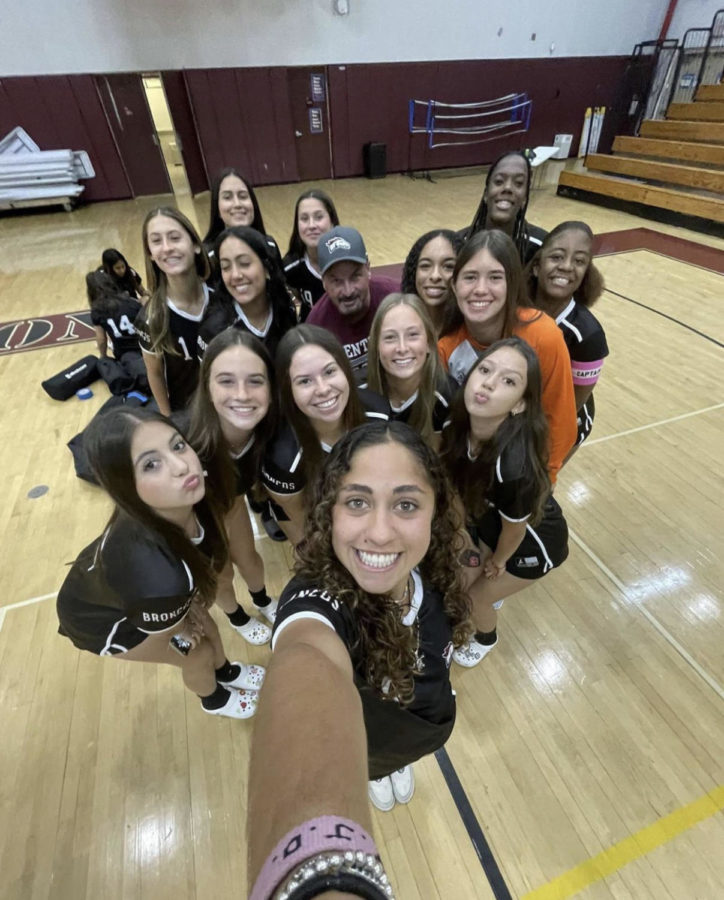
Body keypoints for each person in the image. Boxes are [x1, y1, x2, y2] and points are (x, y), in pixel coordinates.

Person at [258, 420, 471, 823]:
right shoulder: (316, 603)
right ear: (329, 510)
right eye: (357, 502)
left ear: (435, 511)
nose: (379, 533)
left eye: (406, 505)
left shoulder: (435, 570)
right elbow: (303, 657)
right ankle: (376, 771)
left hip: (416, 725)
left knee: (398, 750)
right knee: (374, 759)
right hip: (365, 745)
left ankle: (395, 761)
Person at [56, 408, 265, 719]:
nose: (182, 466)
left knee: (206, 624)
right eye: (151, 464)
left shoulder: (189, 499)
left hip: (129, 591)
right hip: (104, 623)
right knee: (197, 653)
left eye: (178, 445)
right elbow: (170, 635)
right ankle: (214, 699)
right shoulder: (157, 578)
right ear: (126, 486)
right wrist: (185, 632)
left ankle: (226, 672)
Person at [440, 338, 569, 666]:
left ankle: (485, 638)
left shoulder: (513, 467)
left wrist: (498, 563)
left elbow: (515, 531)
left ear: (520, 405)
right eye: (485, 369)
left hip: (532, 543)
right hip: (492, 523)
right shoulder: (460, 425)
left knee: (473, 598)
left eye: (508, 381)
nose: (489, 383)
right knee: (470, 576)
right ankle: (491, 594)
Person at [438, 229, 577, 483]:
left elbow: (560, 425)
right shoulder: (446, 347)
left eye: (495, 277)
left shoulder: (543, 335)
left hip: (521, 481)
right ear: (454, 286)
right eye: (469, 277)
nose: (480, 289)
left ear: (511, 284)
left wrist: (542, 484)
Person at [188, 329, 280, 645]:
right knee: (221, 574)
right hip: (196, 518)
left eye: (255, 380)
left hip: (232, 501)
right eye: (226, 381)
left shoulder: (268, 428)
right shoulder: (187, 443)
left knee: (251, 560)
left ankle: (263, 600)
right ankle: (236, 616)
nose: (241, 394)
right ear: (207, 387)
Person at [261, 325, 390, 544]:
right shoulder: (282, 458)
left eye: (330, 372)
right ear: (287, 389)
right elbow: (303, 522)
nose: (322, 389)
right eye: (304, 381)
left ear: (345, 370)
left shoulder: (378, 414)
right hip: (310, 517)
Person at [525, 221, 608, 453]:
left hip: (562, 422)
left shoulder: (588, 336)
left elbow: (568, 408)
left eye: (579, 261)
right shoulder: (516, 307)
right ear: (536, 266)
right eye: (557, 257)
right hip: (519, 410)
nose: (567, 267)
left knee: (534, 486)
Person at [134, 207, 211, 415]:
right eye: (157, 241)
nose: (167, 248)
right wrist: (169, 420)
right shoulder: (150, 318)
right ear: (150, 254)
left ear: (195, 244)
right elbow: (155, 374)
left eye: (175, 237)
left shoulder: (221, 297)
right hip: (188, 415)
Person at [305, 225, 399, 383]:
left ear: (368, 268)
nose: (348, 291)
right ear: (323, 281)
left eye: (355, 277)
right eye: (336, 281)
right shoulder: (316, 327)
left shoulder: (396, 297)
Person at [366, 292, 456, 449]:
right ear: (375, 346)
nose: (402, 348)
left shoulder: (447, 397)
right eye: (390, 337)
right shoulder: (358, 392)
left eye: (413, 335)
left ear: (428, 342)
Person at [197, 226, 297, 362]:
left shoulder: (285, 309)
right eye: (225, 267)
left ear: (267, 267)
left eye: (244, 263)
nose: (235, 275)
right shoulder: (214, 330)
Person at [462, 150, 546, 264]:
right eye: (499, 181)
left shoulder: (541, 247)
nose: (507, 188)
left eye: (518, 183)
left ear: (525, 199)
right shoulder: (461, 243)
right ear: (486, 194)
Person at [202, 168, 281, 276]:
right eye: (227, 197)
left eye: (243, 196)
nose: (237, 204)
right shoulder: (207, 257)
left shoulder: (270, 245)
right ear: (217, 209)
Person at [85, 270, 149, 394]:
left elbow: (101, 339)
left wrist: (103, 357)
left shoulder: (97, 311)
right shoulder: (130, 301)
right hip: (146, 347)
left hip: (126, 354)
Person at [282, 189, 340, 318]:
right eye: (304, 219)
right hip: (311, 333)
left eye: (319, 217)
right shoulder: (290, 267)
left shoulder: (348, 257)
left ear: (332, 221)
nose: (311, 225)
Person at [401, 228, 462, 337]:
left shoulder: (473, 331)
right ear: (413, 272)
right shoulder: (398, 323)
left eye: (448, 267)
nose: (435, 276)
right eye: (425, 266)